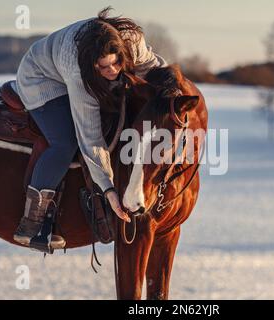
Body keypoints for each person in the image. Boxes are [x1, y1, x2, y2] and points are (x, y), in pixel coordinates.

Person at [13, 7, 168, 248]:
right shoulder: (77, 70)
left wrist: (172, 90)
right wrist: (107, 187)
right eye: (103, 68)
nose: (112, 71)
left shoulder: (133, 41)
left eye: (116, 63)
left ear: (122, 51)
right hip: (41, 78)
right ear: (91, 64)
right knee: (65, 142)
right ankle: (32, 221)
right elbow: (90, 137)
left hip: (72, 70)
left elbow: (154, 68)